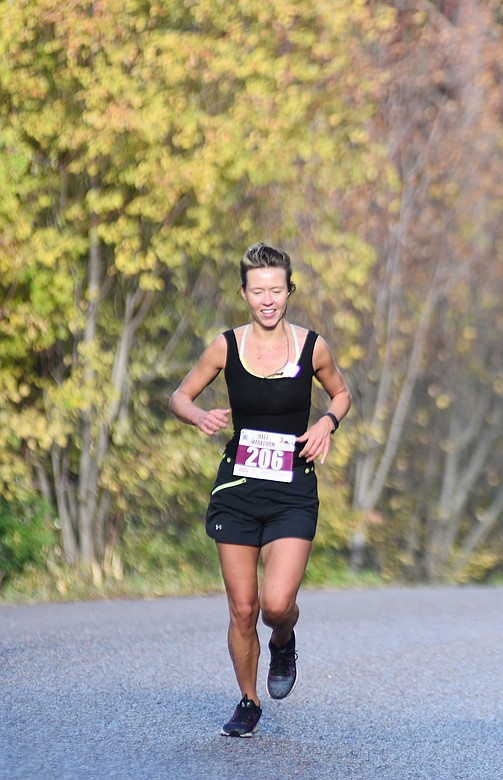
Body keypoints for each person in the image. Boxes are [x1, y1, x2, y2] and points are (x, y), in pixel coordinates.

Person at [169, 242, 351, 737]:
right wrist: (199, 415)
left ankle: (284, 638)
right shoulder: (226, 346)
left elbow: (341, 392)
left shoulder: (312, 346)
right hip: (239, 488)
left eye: (276, 290)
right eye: (258, 291)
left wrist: (327, 424)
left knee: (275, 605)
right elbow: (180, 395)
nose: (267, 300)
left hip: (293, 488)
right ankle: (248, 701)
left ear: (289, 291)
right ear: (245, 294)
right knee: (244, 608)